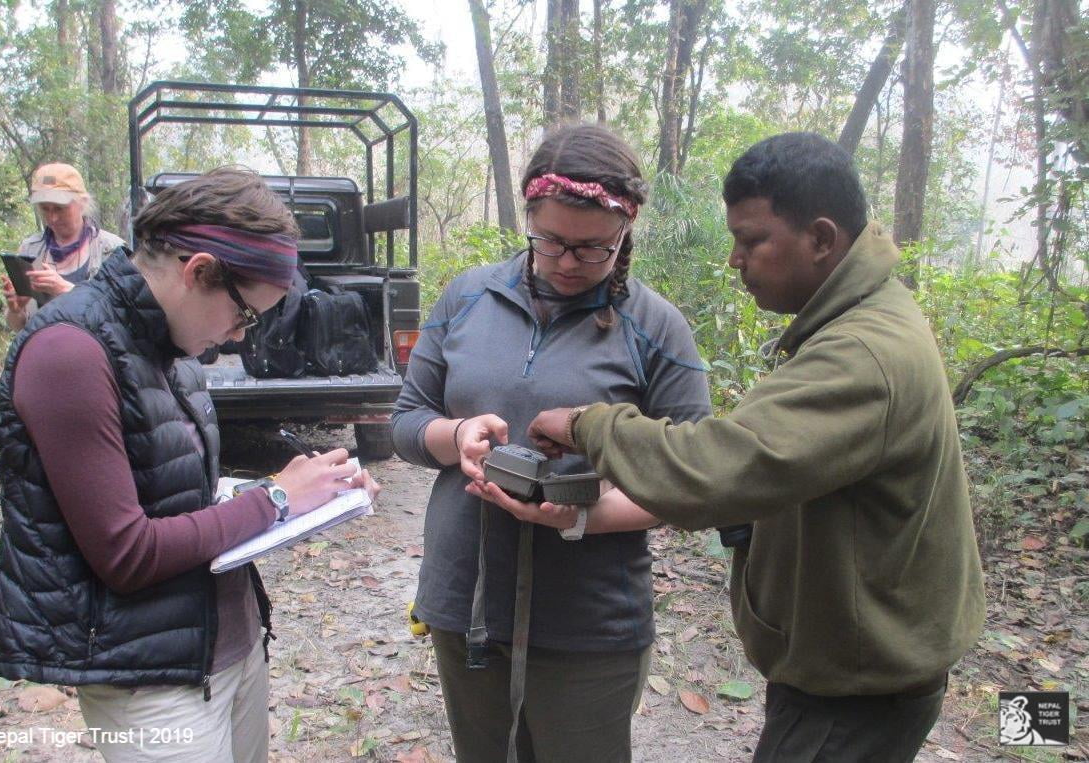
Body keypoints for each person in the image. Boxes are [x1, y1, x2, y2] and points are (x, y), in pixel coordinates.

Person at [528, 132, 986, 763]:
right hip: (851, 664)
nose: (737, 260)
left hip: (855, 688)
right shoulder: (860, 319)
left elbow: (719, 467)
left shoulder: (863, 353)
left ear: (822, 239)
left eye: (752, 241)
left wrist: (590, 425)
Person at [0, 167, 378, 762]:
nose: (240, 338)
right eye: (244, 315)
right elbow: (126, 553)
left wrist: (317, 488)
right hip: (150, 679)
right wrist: (273, 499)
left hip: (227, 644)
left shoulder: (168, 346)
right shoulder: (69, 351)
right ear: (198, 272)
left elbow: (173, 491)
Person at [391, 124, 712, 762]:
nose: (567, 262)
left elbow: (694, 476)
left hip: (590, 622)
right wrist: (455, 436)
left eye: (592, 248)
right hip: (466, 599)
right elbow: (406, 420)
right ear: (528, 216)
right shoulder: (466, 298)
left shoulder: (654, 328)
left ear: (624, 234)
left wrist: (581, 516)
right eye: (550, 240)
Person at [2, 162, 126, 330]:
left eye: (60, 209)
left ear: (82, 203)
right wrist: (15, 310)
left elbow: (123, 319)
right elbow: (17, 327)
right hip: (42, 351)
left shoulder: (112, 250)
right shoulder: (30, 249)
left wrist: (64, 289)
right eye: (45, 209)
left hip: (94, 353)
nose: (52, 218)